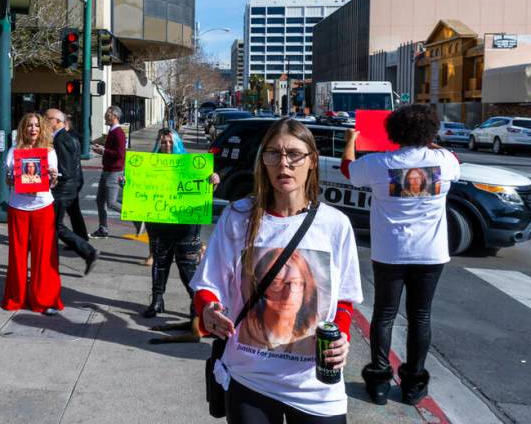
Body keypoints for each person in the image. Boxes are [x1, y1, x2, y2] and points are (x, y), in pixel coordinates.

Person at [192, 119, 362, 423]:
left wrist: (341, 338)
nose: (284, 163)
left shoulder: (335, 225)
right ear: (264, 161)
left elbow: (345, 299)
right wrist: (208, 310)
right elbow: (208, 284)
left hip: (314, 385)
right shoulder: (238, 216)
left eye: (294, 154)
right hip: (249, 377)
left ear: (312, 161)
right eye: (273, 154)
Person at [342, 104, 461, 406]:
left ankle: (379, 381)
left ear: (393, 131)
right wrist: (431, 144)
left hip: (390, 252)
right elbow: (456, 161)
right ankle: (413, 384)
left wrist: (350, 141)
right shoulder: (444, 161)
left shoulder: (379, 163)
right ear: (431, 131)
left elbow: (348, 171)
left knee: (384, 315)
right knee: (421, 317)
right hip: (431, 255)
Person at [140, 128, 218, 318]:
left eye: (170, 142)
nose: (167, 146)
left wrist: (214, 182)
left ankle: (196, 303)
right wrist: (126, 182)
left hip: (186, 224)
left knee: (187, 266)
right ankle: (157, 300)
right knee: (160, 263)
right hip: (159, 222)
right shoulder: (150, 164)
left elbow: (204, 192)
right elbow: (140, 188)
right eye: (163, 142)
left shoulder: (191, 165)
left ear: (176, 143)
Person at [2, 113, 63, 315]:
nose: (33, 129)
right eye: (29, 126)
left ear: (41, 128)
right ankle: (16, 297)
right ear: (23, 129)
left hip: (43, 207)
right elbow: (8, 182)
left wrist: (53, 177)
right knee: (17, 255)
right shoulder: (13, 152)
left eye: (36, 125)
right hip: (18, 207)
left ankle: (43, 299)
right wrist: (11, 178)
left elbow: (52, 183)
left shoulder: (49, 152)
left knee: (43, 255)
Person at [45, 108, 98, 277]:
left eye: (47, 119)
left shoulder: (61, 139)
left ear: (58, 122)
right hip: (69, 189)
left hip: (62, 190)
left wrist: (49, 172)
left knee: (55, 226)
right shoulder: (65, 138)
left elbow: (66, 170)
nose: (44, 122)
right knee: (60, 223)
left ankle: (87, 251)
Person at [90, 106, 126, 239]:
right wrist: (102, 149)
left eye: (107, 114)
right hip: (107, 170)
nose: (105, 116)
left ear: (114, 116)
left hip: (114, 172)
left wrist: (104, 151)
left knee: (111, 203)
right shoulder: (112, 131)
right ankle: (103, 228)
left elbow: (120, 154)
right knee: (100, 201)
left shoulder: (118, 133)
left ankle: (136, 217)